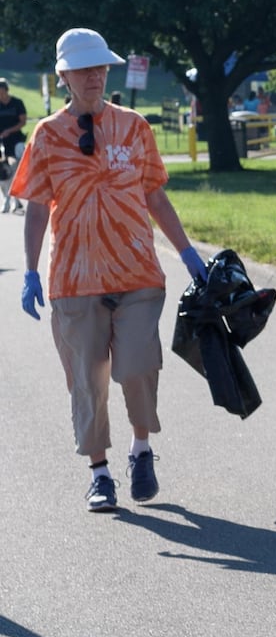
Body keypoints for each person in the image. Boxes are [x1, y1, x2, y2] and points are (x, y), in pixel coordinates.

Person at [10, 28, 210, 512]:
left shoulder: (134, 126)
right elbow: (37, 209)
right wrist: (30, 270)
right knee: (87, 378)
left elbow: (154, 194)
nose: (95, 76)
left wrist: (186, 253)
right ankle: (99, 472)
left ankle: (141, 450)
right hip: (75, 279)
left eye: (101, 68)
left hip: (138, 272)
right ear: (64, 76)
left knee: (139, 365)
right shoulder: (47, 135)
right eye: (84, 69)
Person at [0, 76, 27, 213]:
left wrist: (9, 131)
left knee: (17, 169)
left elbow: (23, 121)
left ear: (5, 90)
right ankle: (6, 198)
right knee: (2, 172)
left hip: (15, 140)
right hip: (1, 142)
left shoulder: (17, 103)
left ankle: (16, 199)